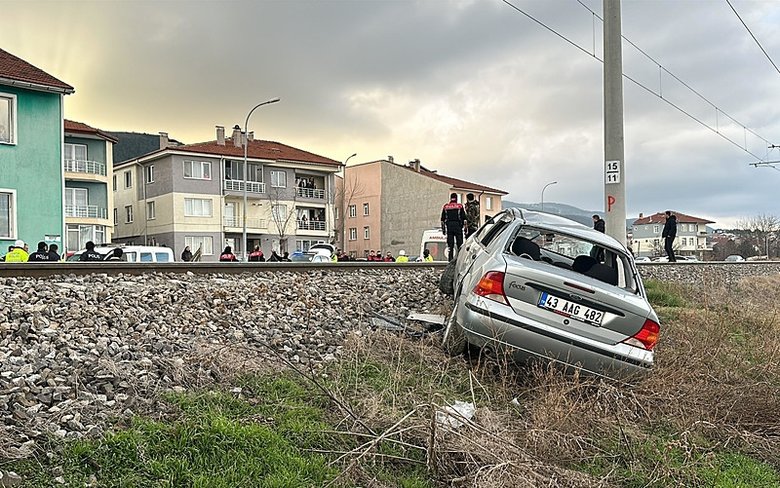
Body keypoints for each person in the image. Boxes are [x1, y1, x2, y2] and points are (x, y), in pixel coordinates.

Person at [441, 193, 467, 261]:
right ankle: (459, 258)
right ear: (456, 198)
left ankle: (450, 259)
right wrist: (465, 228)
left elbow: (442, 220)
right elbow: (464, 219)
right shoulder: (460, 206)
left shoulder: (446, 207)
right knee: (459, 243)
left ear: (450, 198)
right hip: (458, 226)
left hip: (449, 226)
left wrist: (443, 230)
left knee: (450, 244)